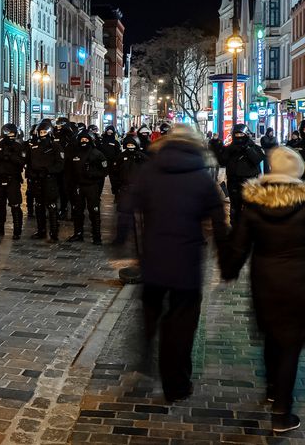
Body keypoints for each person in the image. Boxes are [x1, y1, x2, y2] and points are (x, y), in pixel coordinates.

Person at [221, 147, 305, 435]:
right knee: (290, 344)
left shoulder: (255, 205)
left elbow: (239, 244)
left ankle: (272, 387)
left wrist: (229, 270)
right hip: (301, 280)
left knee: (273, 334)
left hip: (266, 279)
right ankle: (281, 411)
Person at [118, 125, 228, 403]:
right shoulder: (202, 177)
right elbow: (219, 220)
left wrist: (119, 240)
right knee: (181, 325)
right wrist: (226, 257)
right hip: (187, 262)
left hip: (154, 258)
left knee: (150, 314)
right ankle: (176, 383)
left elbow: (126, 207)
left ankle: (145, 358)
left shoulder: (150, 171)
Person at [217, 124, 265, 223]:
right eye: (237, 134)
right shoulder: (230, 148)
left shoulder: (254, 147)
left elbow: (257, 159)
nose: (239, 137)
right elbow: (222, 161)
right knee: (235, 207)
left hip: (250, 181)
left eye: (241, 134)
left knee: (251, 206)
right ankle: (235, 228)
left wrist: (247, 149)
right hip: (233, 181)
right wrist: (228, 150)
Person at [68, 129, 108, 244]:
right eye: (82, 139)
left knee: (94, 211)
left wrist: (93, 174)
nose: (84, 141)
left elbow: (104, 170)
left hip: (92, 186)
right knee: (77, 211)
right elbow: (70, 171)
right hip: (78, 186)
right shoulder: (75, 153)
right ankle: (78, 233)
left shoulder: (97, 154)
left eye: (86, 139)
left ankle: (96, 236)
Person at [26, 119, 63, 241]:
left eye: (44, 132)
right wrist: (32, 174)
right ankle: (41, 230)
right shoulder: (34, 146)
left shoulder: (55, 146)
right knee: (39, 206)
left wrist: (48, 170)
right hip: (37, 179)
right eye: (40, 132)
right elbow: (29, 162)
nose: (42, 134)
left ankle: (53, 232)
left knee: (52, 206)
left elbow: (60, 164)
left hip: (49, 179)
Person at [0, 123, 25, 239]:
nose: (10, 135)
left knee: (15, 204)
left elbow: (22, 162)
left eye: (12, 133)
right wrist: (1, 155)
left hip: (13, 178)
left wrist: (11, 156)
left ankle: (17, 229)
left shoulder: (18, 146)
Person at [112, 138, 149, 244]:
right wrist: (116, 187)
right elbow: (115, 172)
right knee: (124, 214)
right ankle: (121, 237)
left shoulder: (142, 157)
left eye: (132, 146)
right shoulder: (121, 157)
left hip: (140, 189)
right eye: (128, 146)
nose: (130, 148)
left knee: (142, 214)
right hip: (125, 188)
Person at [98, 126, 122, 194]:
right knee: (100, 179)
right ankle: (98, 194)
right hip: (102, 163)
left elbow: (118, 153)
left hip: (112, 163)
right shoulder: (101, 141)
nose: (109, 132)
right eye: (108, 130)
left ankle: (116, 193)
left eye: (111, 131)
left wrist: (116, 162)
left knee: (114, 179)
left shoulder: (116, 142)